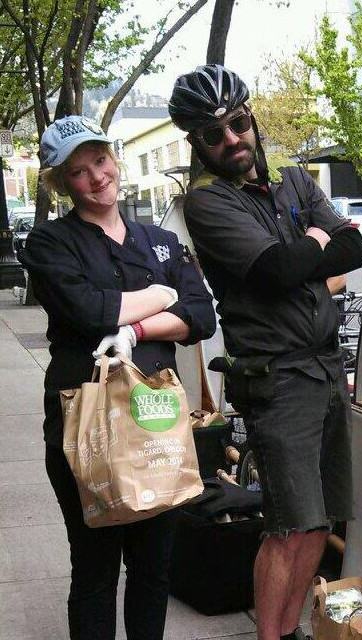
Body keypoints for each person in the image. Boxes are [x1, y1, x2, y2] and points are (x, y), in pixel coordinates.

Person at [168, 64, 362, 640]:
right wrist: (313, 244)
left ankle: (292, 629)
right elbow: (280, 271)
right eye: (213, 134)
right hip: (277, 381)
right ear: (197, 143)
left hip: (327, 368)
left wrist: (311, 251)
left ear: (251, 118)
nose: (231, 140)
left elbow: (352, 248)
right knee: (286, 526)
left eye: (236, 123)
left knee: (319, 522)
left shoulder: (295, 182)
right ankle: (269, 636)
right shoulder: (207, 205)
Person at [20, 115, 216, 640]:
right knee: (96, 569)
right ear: (63, 184)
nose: (97, 178)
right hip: (84, 427)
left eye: (100, 161)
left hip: (156, 425)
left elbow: (201, 315)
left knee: (153, 570)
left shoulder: (159, 241)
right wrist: (161, 296)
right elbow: (88, 309)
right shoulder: (49, 243)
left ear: (114, 158)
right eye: (79, 172)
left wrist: (137, 325)